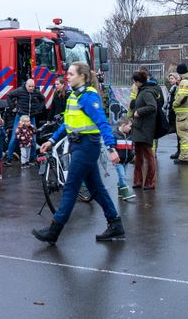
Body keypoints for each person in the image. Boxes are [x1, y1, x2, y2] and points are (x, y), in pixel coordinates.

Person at [33, 62, 124, 244]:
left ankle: (54, 230)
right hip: (79, 146)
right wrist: (51, 141)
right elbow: (67, 125)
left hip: (87, 146)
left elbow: (103, 123)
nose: (67, 77)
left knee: (71, 187)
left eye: (71, 74)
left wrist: (111, 148)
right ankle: (115, 224)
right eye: (67, 74)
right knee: (96, 188)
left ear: (82, 76)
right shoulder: (74, 96)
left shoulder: (88, 97)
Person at [126, 71, 159, 190]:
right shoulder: (143, 91)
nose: (134, 84)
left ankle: (150, 182)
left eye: (134, 82)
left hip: (145, 128)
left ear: (138, 82)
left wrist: (138, 112)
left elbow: (152, 107)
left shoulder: (146, 92)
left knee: (148, 156)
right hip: (139, 127)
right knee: (139, 156)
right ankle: (138, 181)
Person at [6, 79, 46, 164]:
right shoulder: (20, 90)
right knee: (14, 137)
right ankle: (9, 158)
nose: (31, 88)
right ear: (26, 85)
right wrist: (13, 107)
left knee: (33, 138)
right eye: (30, 86)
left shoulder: (36, 92)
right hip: (20, 116)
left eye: (33, 86)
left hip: (31, 117)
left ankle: (32, 158)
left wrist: (39, 109)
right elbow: (8, 96)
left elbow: (43, 99)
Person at [113, 117, 134, 201]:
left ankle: (120, 193)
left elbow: (132, 146)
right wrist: (114, 156)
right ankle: (125, 192)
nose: (130, 128)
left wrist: (132, 154)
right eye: (129, 126)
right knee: (122, 175)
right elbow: (112, 147)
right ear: (123, 125)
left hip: (126, 160)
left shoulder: (130, 135)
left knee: (121, 176)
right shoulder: (115, 135)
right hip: (118, 161)